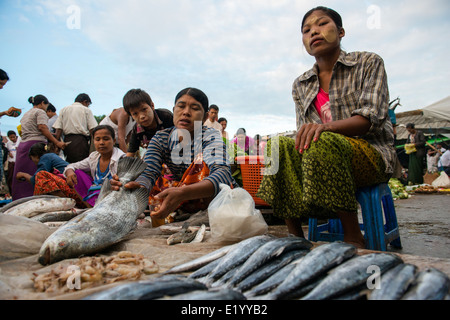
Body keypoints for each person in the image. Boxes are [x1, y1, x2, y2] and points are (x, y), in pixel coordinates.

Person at [256, 6, 397, 248]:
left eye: (322, 24)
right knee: (276, 147)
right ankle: (295, 237)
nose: (314, 32)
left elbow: (370, 119)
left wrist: (325, 129)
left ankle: (353, 236)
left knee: (323, 140)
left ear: (341, 31)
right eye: (306, 30)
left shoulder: (368, 63)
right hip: (322, 154)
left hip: (370, 153)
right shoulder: (300, 83)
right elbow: (304, 130)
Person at [110, 87, 237, 222]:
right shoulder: (160, 138)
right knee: (150, 178)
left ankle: (205, 213)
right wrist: (138, 185)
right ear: (173, 110)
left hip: (213, 198)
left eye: (194, 108)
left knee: (203, 166)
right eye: (181, 106)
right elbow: (148, 171)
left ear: (205, 117)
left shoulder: (211, 136)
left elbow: (223, 174)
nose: (186, 112)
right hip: (181, 195)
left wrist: (184, 193)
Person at [12, 95, 67, 200]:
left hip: (23, 145)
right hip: (35, 145)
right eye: (46, 105)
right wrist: (57, 142)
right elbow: (42, 127)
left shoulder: (26, 113)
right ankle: (35, 199)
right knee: (38, 173)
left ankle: (19, 199)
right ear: (42, 103)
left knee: (22, 174)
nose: (46, 108)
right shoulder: (40, 112)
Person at [63, 125, 125, 207]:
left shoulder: (121, 158)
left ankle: (96, 208)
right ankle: (91, 207)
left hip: (113, 196)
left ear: (113, 141)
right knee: (77, 174)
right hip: (95, 193)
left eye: (106, 139)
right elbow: (73, 166)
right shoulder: (94, 157)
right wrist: (69, 171)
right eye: (97, 139)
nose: (101, 143)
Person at [123, 89, 174, 157]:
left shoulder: (166, 116)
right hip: (155, 158)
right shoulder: (137, 130)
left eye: (144, 109)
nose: (141, 116)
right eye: (135, 113)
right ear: (131, 116)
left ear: (152, 106)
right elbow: (130, 154)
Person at [53, 93, 98, 163]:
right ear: (85, 102)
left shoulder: (64, 109)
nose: (88, 106)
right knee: (81, 164)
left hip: (67, 141)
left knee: (69, 164)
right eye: (88, 104)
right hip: (81, 142)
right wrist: (95, 143)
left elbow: (58, 129)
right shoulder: (86, 110)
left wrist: (56, 145)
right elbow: (93, 129)